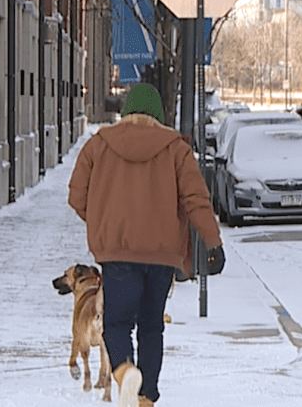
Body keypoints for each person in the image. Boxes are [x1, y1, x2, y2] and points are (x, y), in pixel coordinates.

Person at [69, 83, 225, 407]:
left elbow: (76, 196)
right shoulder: (176, 149)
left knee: (116, 324)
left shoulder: (98, 145)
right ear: (159, 114)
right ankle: (146, 399)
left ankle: (125, 373)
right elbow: (196, 198)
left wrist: (104, 225)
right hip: (161, 256)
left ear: (126, 111)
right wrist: (213, 242)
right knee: (151, 327)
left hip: (117, 254)